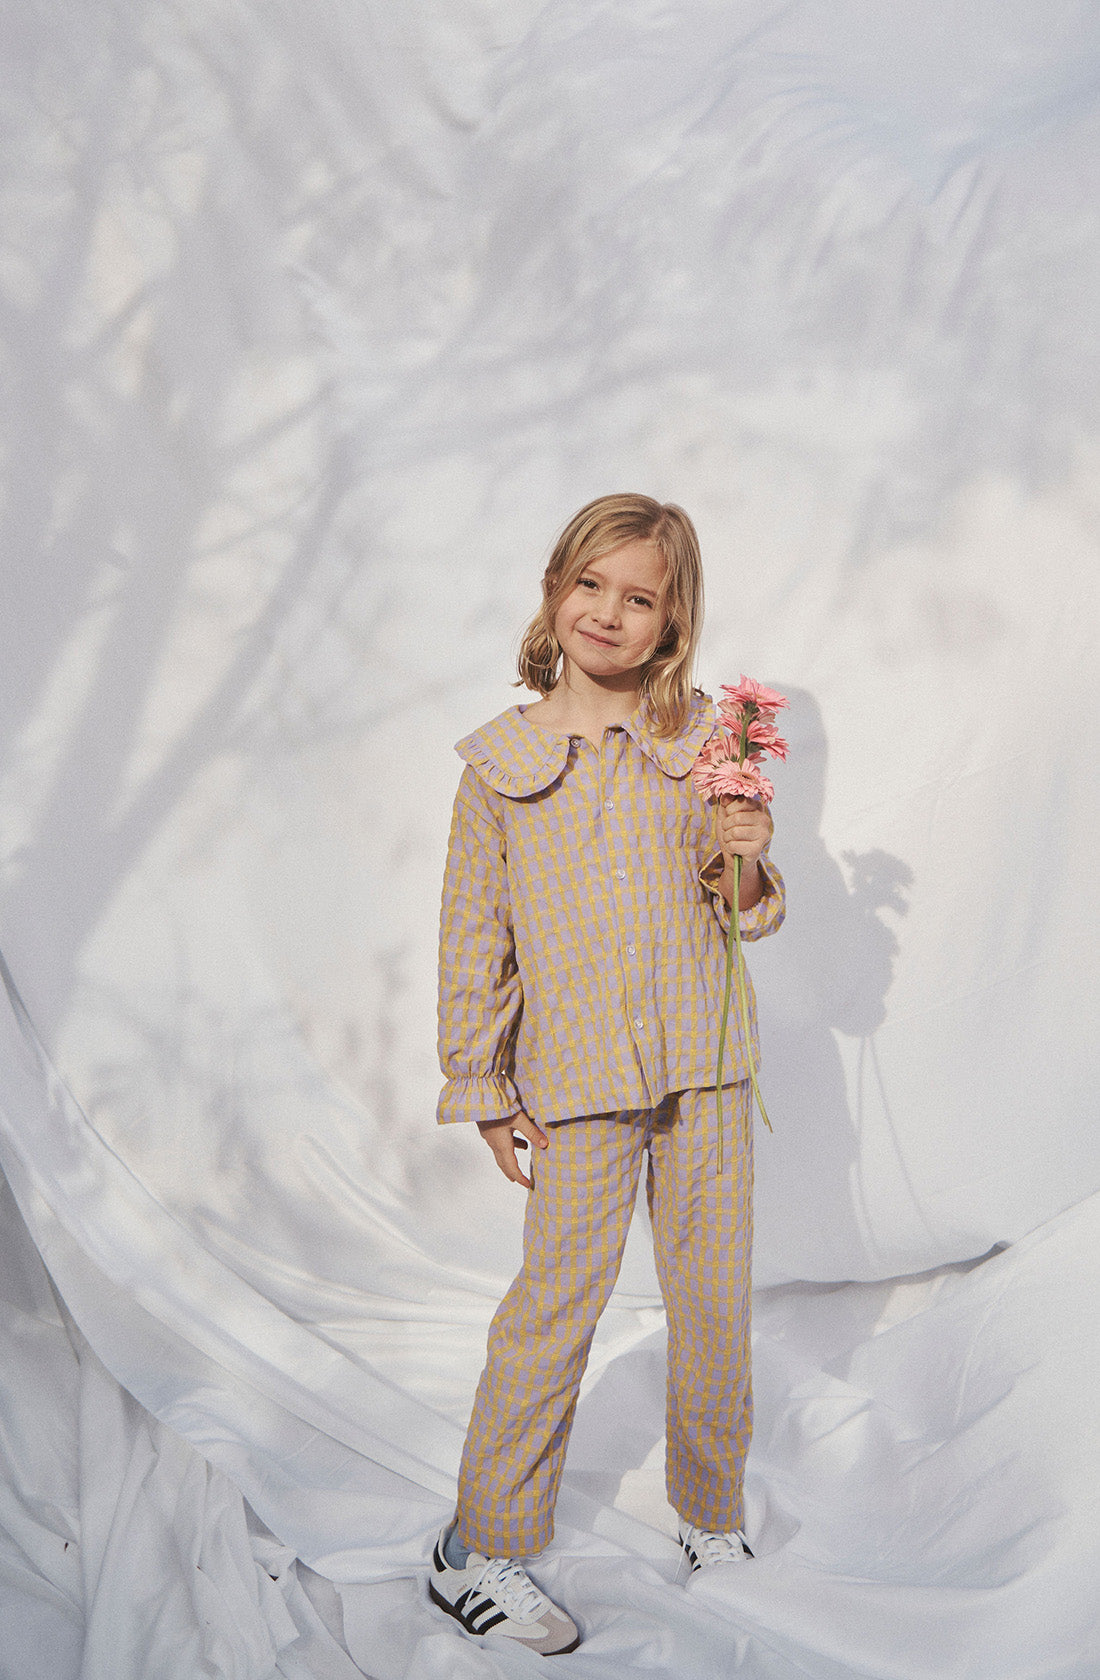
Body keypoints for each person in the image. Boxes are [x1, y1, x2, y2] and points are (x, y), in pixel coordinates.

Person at [428, 494, 785, 1654]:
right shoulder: (498, 765)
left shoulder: (703, 752)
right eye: (592, 585)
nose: (609, 613)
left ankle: (711, 1510)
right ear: (552, 589)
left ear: (670, 620)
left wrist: (744, 861)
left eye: (639, 598)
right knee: (555, 1309)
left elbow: (738, 912)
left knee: (711, 1296)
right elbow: (472, 936)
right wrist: (482, 1085)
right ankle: (481, 1543)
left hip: (706, 1070)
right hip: (576, 1081)